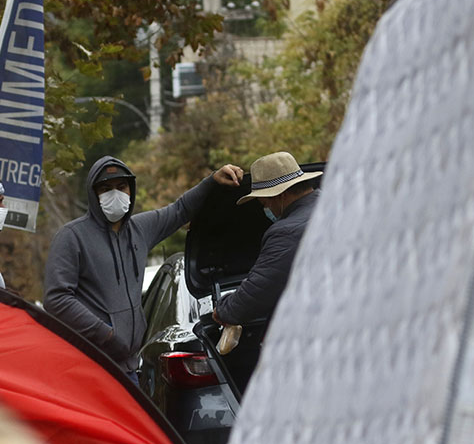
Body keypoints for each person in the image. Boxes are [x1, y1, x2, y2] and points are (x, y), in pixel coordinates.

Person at [44, 156, 242, 381]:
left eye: (121, 187)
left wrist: (212, 181)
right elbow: (56, 299)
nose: (115, 194)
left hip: (128, 368)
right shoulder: (72, 237)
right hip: (90, 367)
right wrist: (106, 333)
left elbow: (180, 210)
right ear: (93, 194)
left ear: (131, 190)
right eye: (105, 189)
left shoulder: (139, 229)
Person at [213, 151, 321, 327]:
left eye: (265, 203)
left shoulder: (286, 233)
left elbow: (254, 295)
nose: (267, 209)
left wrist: (223, 310)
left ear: (280, 195)